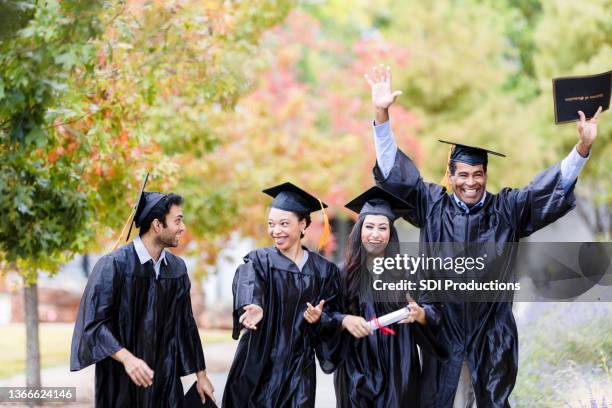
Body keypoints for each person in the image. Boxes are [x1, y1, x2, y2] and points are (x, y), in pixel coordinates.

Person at [364, 65, 604, 407]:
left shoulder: (507, 210)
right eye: (463, 174)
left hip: (491, 338)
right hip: (441, 336)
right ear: (450, 174)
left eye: (478, 174)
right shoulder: (432, 205)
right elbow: (396, 176)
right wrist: (382, 114)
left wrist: (581, 148)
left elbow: (546, 187)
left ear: (486, 174)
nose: (471, 182)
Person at [70, 186, 215, 407]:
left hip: (165, 380)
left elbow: (186, 324)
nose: (182, 228)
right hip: (122, 382)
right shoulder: (114, 266)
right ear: (157, 225)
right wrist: (127, 358)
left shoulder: (176, 269)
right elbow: (94, 325)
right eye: (177, 221)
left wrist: (201, 376)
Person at [222, 182, 344, 408]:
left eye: (284, 224)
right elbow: (247, 280)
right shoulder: (260, 261)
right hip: (259, 364)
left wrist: (320, 319)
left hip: (299, 368)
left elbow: (334, 313)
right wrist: (253, 303)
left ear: (303, 224)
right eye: (271, 224)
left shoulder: (324, 271)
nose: (275, 231)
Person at [332, 185, 446, 407]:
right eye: (370, 227)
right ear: (359, 230)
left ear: (390, 234)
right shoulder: (341, 274)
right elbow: (328, 317)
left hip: (399, 368)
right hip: (356, 371)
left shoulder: (409, 272)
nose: (375, 234)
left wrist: (421, 314)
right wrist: (344, 320)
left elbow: (435, 311)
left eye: (382, 228)